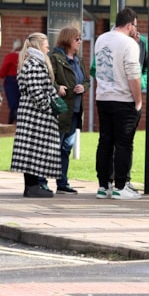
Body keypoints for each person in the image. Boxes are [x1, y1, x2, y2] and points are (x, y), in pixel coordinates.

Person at [93, 8, 144, 200]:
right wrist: (138, 100)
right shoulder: (129, 44)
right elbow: (133, 75)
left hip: (103, 97)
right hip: (123, 99)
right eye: (135, 26)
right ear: (130, 25)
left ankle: (103, 185)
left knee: (105, 141)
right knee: (124, 144)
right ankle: (120, 186)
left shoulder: (101, 39)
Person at [9, 33, 62, 198]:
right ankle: (32, 187)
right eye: (46, 45)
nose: (48, 48)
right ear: (38, 45)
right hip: (35, 115)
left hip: (33, 115)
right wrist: (49, 107)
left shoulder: (33, 62)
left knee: (32, 150)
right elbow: (36, 91)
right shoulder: (33, 64)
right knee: (32, 151)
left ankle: (33, 186)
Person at [48, 26, 87, 194]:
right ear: (67, 40)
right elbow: (48, 78)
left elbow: (87, 80)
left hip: (75, 110)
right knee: (54, 146)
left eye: (80, 39)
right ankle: (43, 181)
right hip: (62, 109)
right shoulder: (55, 58)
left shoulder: (79, 60)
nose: (79, 42)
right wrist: (57, 87)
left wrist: (83, 87)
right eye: (76, 39)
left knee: (66, 148)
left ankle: (62, 182)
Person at [0, 40, 22, 123]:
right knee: (19, 104)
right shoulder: (25, 56)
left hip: (11, 82)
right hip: (22, 81)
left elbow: (4, 70)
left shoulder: (10, 56)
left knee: (13, 105)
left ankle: (12, 123)